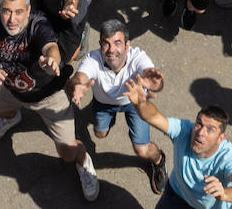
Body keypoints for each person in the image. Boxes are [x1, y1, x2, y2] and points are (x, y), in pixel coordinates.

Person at [0, 0, 100, 201]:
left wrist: (52, 61)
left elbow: (51, 48)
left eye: (19, 12)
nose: (12, 19)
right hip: (10, 88)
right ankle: (13, 118)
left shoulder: (38, 24)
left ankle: (84, 162)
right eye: (6, 11)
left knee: (67, 152)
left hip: (48, 96)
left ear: (28, 11)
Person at [69, 19, 169, 195]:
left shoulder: (138, 57)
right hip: (104, 103)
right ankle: (109, 117)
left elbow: (153, 78)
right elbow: (79, 76)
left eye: (117, 43)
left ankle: (159, 160)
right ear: (100, 45)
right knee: (100, 133)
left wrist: (155, 82)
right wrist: (76, 84)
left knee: (142, 149)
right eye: (106, 44)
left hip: (134, 104)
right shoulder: (93, 59)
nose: (111, 50)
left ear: (127, 45)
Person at [121, 79, 232, 208]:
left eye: (210, 130)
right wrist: (141, 103)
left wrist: (224, 193)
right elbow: (153, 117)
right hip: (176, 195)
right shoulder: (184, 130)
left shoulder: (228, 156)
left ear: (221, 138)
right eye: (199, 124)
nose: (201, 132)